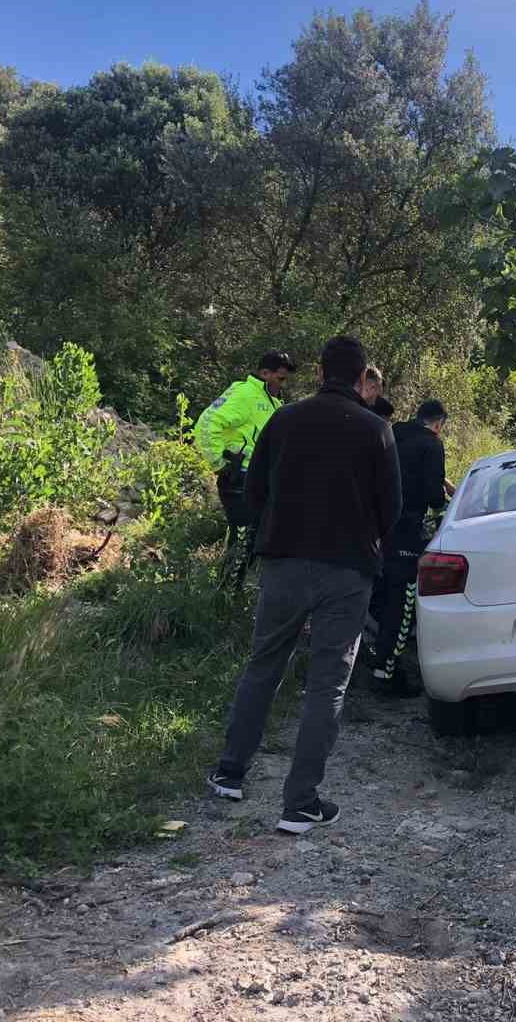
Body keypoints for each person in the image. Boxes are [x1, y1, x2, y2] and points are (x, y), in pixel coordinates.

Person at [207, 336, 402, 833]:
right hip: (348, 568)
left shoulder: (283, 419)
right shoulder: (376, 429)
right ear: (362, 380)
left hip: (285, 561)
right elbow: (392, 509)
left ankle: (230, 773)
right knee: (327, 683)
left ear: (319, 371)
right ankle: (300, 803)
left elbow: (254, 492)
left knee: (264, 664)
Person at [369, 400, 451, 695]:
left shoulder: (392, 433)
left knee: (379, 595)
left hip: (375, 529)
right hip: (406, 529)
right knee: (401, 602)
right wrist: (444, 503)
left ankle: (375, 661)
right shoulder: (430, 444)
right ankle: (386, 674)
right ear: (439, 423)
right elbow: (433, 495)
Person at [193, 351, 297, 527]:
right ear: (265, 374)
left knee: (254, 536)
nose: (283, 385)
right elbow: (207, 424)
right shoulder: (245, 393)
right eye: (280, 379)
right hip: (238, 477)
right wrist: (218, 464)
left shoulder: (270, 399)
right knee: (243, 538)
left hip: (255, 477)